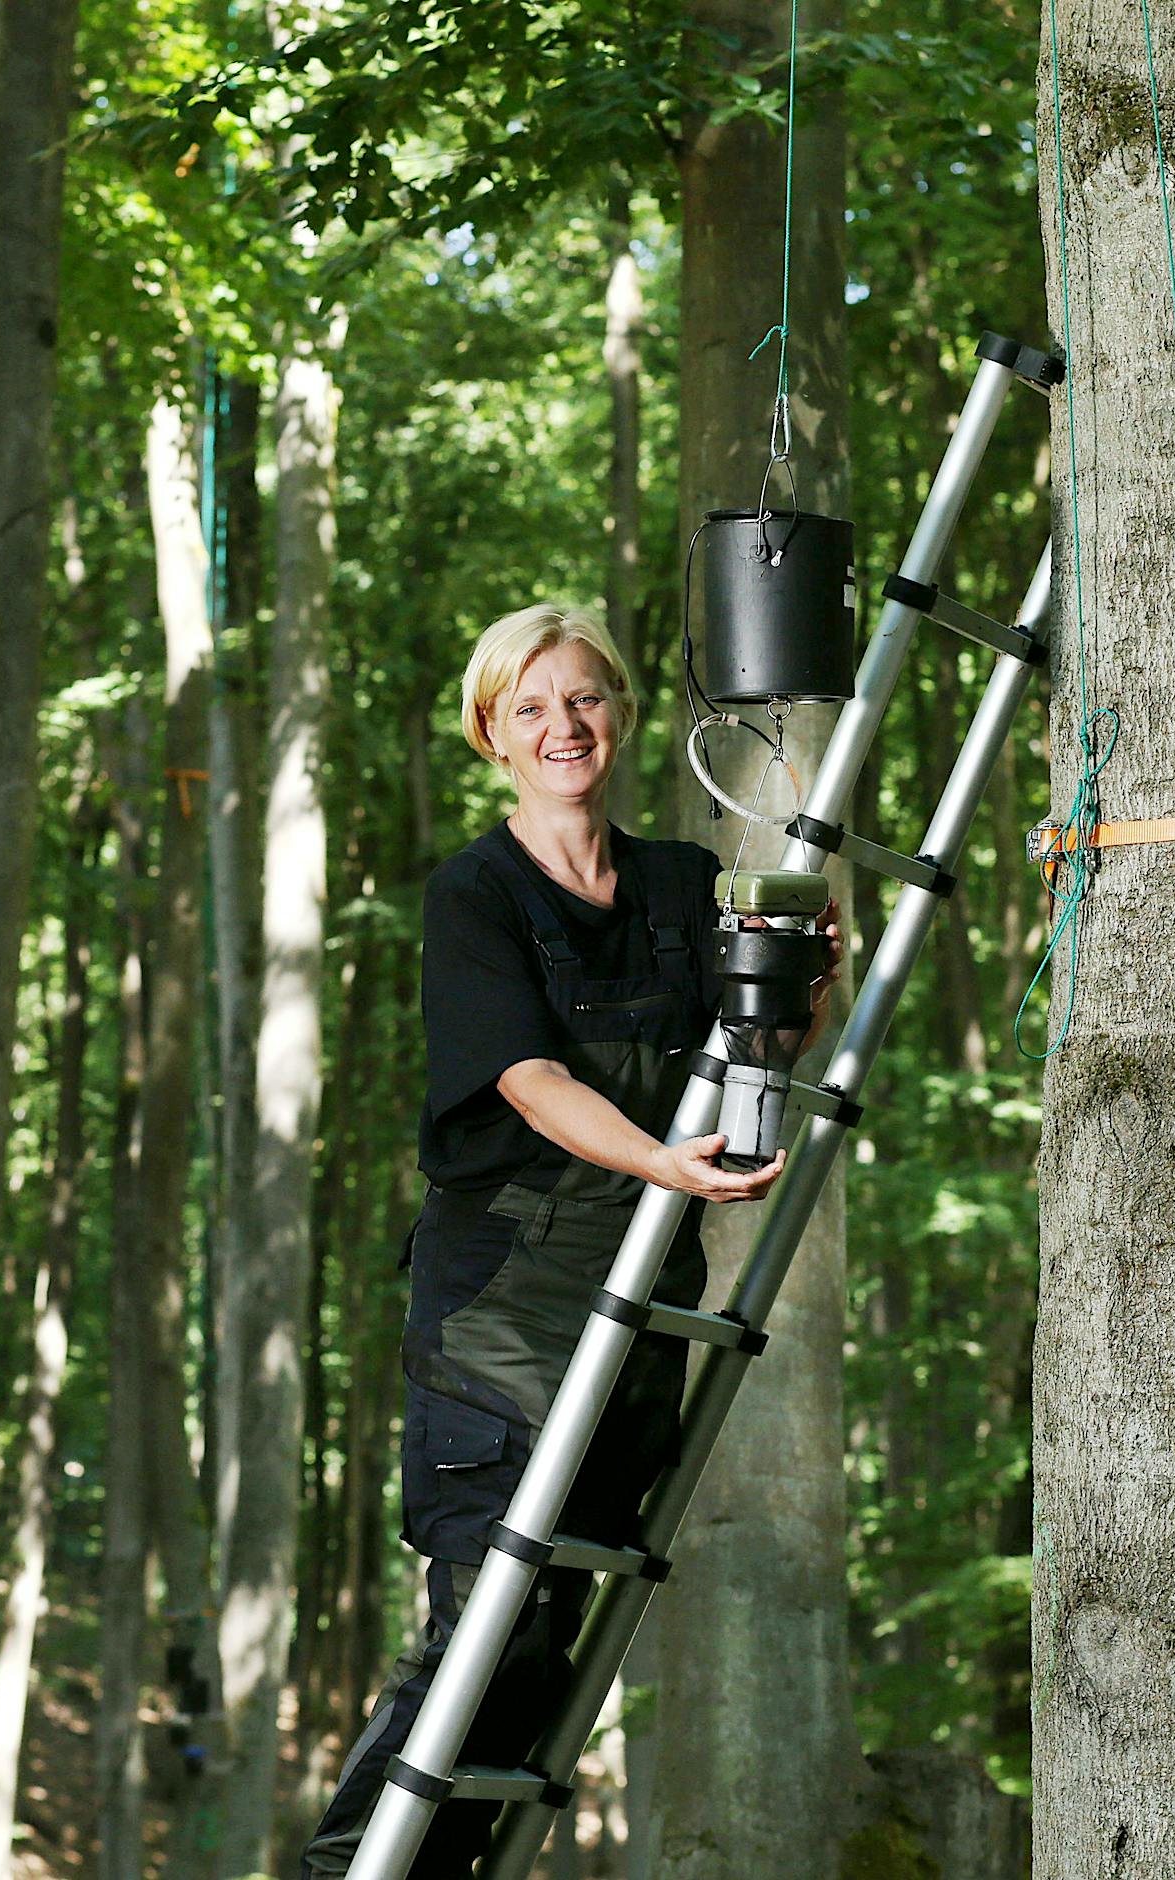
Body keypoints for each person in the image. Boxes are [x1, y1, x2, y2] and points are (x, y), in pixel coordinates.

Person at [302, 603, 841, 1876]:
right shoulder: (473, 894)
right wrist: (659, 1155)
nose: (563, 727)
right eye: (531, 706)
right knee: (486, 1626)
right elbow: (527, 1077)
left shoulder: (676, 881)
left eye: (585, 698)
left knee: (547, 1652)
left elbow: (754, 1050)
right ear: (492, 732)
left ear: (622, 713)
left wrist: (794, 996)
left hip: (639, 1301)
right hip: (499, 1312)